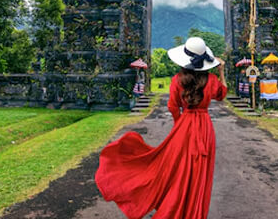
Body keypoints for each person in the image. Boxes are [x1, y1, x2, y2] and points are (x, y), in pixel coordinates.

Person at [95, 36, 227, 218]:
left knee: (178, 171)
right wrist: (221, 71)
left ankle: (175, 206)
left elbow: (173, 106)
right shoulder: (211, 80)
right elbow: (221, 95)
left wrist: (179, 125)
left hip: (184, 126)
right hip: (205, 128)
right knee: (199, 172)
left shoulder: (176, 80)